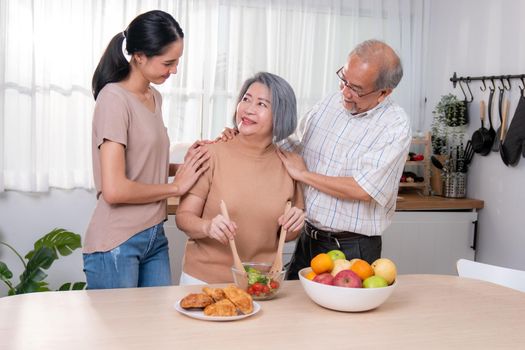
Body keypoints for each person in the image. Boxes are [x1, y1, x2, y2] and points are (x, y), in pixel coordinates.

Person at [83, 10, 210, 289]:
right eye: (169, 62)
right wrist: (176, 187)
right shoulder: (114, 100)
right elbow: (114, 189)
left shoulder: (154, 96)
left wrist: (185, 166)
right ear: (139, 56)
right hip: (117, 242)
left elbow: (140, 163)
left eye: (177, 62)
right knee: (121, 333)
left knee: (155, 329)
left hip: (154, 235)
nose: (174, 69)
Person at [276, 39, 412, 280]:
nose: (345, 92)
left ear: (384, 93)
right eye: (344, 79)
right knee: (295, 313)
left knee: (344, 318)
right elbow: (291, 145)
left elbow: (362, 188)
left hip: (352, 249)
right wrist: (243, 139)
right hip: (308, 239)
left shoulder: (395, 126)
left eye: (356, 89)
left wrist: (304, 175)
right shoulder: (329, 103)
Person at [175, 72, 306, 284]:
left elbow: (287, 235)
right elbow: (183, 217)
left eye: (262, 104)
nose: (248, 109)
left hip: (261, 283)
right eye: (246, 99)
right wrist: (207, 227)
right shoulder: (211, 154)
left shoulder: (291, 165)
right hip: (203, 281)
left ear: (281, 115)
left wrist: (295, 224)